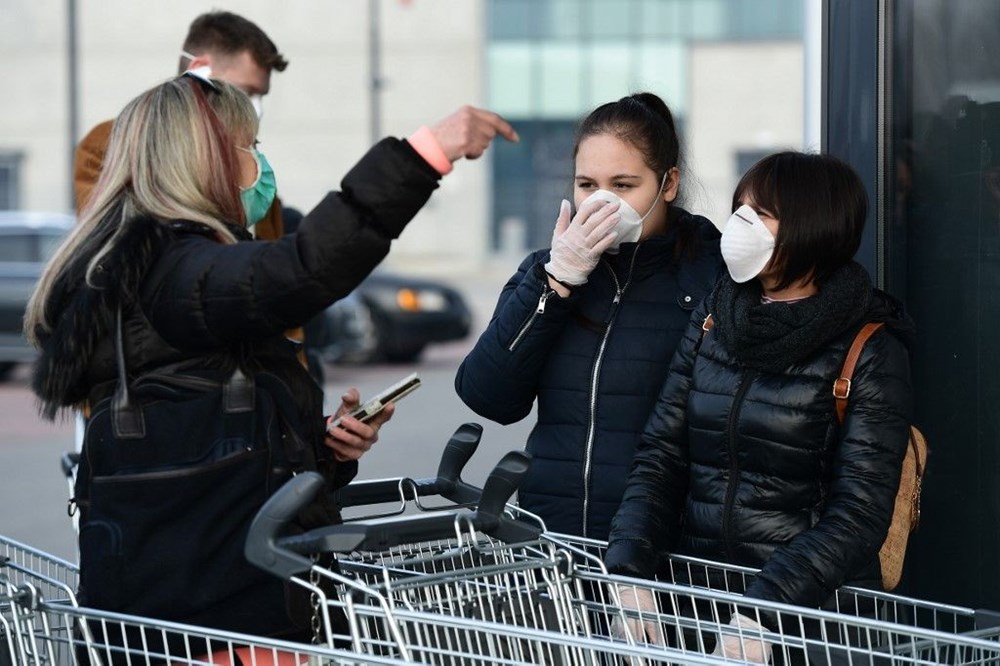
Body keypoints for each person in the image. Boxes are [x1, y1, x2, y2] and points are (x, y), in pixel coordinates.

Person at [26, 73, 516, 642]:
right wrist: (426, 153)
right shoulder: (176, 272)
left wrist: (324, 447)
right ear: (206, 159)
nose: (260, 163)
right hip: (216, 621)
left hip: (203, 602)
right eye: (249, 146)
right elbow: (308, 267)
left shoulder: (165, 273)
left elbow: (210, 444)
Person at [604, 152, 914, 663]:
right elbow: (661, 456)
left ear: (813, 226)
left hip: (809, 623)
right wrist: (629, 570)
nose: (741, 224)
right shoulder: (714, 318)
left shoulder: (869, 347)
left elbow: (859, 513)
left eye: (762, 213)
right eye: (740, 209)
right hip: (700, 603)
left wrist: (765, 611)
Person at [454, 92, 723, 541]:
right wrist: (556, 284)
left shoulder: (711, 276)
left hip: (662, 547)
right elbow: (489, 396)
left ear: (668, 184)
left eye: (623, 185)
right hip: (556, 540)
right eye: (586, 185)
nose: (601, 203)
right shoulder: (545, 270)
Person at [74, 11, 289, 240]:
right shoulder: (115, 141)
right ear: (199, 72)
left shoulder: (253, 163)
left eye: (261, 96)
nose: (256, 109)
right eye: (245, 92)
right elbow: (112, 240)